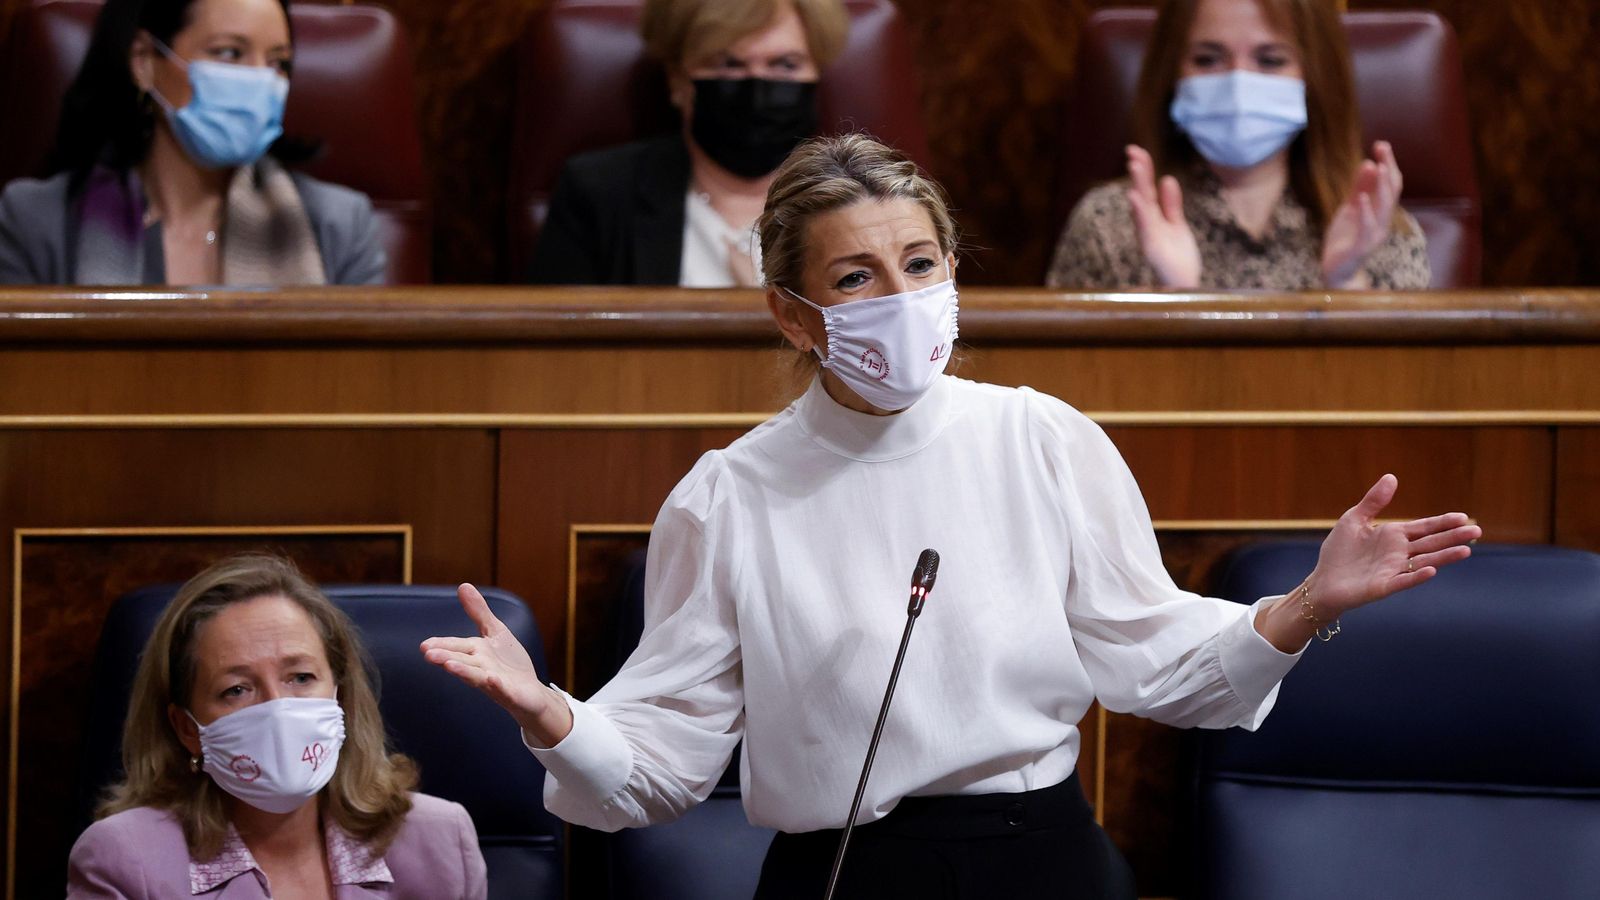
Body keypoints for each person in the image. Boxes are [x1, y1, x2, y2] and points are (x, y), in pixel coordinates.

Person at [426, 135, 1479, 898]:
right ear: (790, 315)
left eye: (919, 265)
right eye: (855, 277)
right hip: (846, 872)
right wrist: (553, 714)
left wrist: (1304, 604)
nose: (900, 297)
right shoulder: (729, 496)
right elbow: (661, 765)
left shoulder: (1039, 437)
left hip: (1044, 859)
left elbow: (1156, 661)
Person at [68, 554, 485, 899]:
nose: (277, 709)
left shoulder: (441, 842)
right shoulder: (124, 860)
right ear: (187, 728)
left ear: (339, 696)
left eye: (300, 678)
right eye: (236, 689)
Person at [1046, 0, 1431, 290]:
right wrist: (1177, 300)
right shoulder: (1108, 225)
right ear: (1171, 74)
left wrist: (1346, 284)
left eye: (1270, 60)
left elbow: (1406, 390)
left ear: (1316, 77)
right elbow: (1074, 388)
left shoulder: (1377, 230)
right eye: (1208, 58)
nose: (1237, 82)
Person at [0, 0, 386, 286]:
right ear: (144, 62)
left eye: (277, 63)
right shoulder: (36, 220)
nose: (261, 81)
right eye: (229, 53)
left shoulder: (339, 225)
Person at [526, 0, 847, 286]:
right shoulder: (599, 194)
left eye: (785, 65)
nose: (757, 89)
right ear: (678, 81)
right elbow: (557, 347)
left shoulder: (863, 199)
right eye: (728, 65)